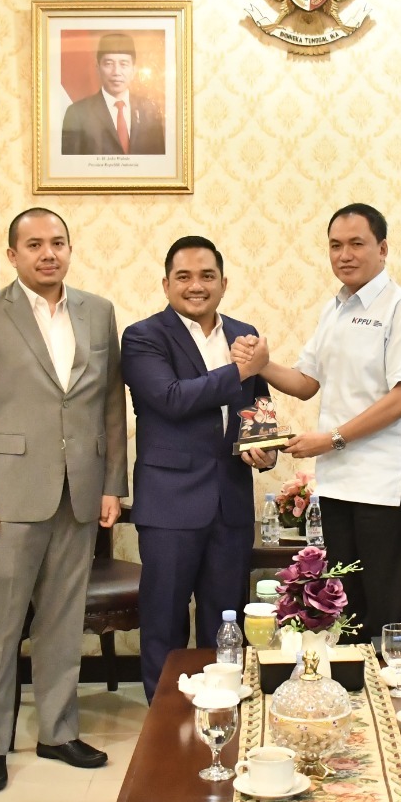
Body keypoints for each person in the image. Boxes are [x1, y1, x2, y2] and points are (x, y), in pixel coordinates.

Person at [0, 208, 128, 792]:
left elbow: (110, 404)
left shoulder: (98, 312)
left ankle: (58, 731)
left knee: (62, 622)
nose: (47, 253)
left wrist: (112, 484)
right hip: (8, 499)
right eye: (33, 244)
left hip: (78, 494)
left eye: (57, 242)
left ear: (70, 249)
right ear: (12, 254)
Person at [239, 202, 401, 641]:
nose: (345, 255)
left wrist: (332, 439)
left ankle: (396, 682)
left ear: (382, 249)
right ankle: (356, 685)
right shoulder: (335, 309)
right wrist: (262, 364)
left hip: (385, 483)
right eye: (335, 245)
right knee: (346, 607)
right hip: (338, 482)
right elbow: (307, 383)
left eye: (356, 244)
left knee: (390, 608)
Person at [121, 235, 276, 701]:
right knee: (164, 618)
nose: (196, 285)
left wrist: (264, 447)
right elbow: (171, 399)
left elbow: (258, 406)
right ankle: (165, 719)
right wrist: (241, 370)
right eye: (184, 276)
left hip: (230, 503)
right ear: (166, 284)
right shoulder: (143, 336)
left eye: (207, 276)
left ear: (223, 283)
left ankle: (221, 708)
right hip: (170, 503)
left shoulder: (244, 335)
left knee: (224, 621)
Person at [59, 33, 166, 155]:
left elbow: (159, 160)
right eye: (109, 64)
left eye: (124, 64)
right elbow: (70, 164)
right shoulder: (77, 113)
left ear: (133, 70)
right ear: (98, 68)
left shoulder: (150, 110)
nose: (116, 72)